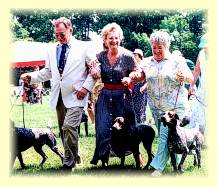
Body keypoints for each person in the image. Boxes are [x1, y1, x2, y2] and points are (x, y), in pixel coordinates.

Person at [20, 17, 96, 171]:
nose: (59, 37)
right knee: (64, 130)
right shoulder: (51, 49)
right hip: (59, 96)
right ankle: (77, 155)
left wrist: (86, 88)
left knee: (69, 127)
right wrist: (32, 77)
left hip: (77, 95)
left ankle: (68, 163)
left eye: (62, 34)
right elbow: (48, 72)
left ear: (70, 30)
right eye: (56, 34)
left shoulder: (84, 47)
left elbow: (95, 70)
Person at [124, 31, 194, 176]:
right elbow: (140, 76)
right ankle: (176, 167)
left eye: (159, 47)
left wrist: (183, 76)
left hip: (173, 107)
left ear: (167, 46)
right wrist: (131, 78)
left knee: (164, 136)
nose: (156, 50)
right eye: (154, 47)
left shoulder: (176, 61)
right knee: (170, 137)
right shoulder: (147, 62)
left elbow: (190, 78)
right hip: (155, 106)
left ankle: (157, 167)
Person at [89, 23, 141, 167]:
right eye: (110, 38)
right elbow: (92, 66)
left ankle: (136, 158)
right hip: (105, 97)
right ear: (105, 40)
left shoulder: (128, 56)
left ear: (120, 39)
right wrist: (93, 69)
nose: (113, 41)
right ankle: (104, 160)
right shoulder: (100, 56)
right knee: (102, 128)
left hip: (122, 98)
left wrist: (130, 77)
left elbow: (137, 71)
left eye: (116, 38)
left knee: (126, 130)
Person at [188, 34, 208, 135]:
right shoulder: (201, 53)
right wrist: (191, 85)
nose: (206, 48)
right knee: (199, 112)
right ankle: (199, 135)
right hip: (203, 87)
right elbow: (196, 70)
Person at [132, 49, 147, 124]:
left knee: (141, 108)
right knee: (134, 108)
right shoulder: (133, 66)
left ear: (140, 56)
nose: (134, 56)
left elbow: (148, 78)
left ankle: (142, 125)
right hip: (134, 89)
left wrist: (145, 86)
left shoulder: (144, 65)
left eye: (135, 55)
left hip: (142, 89)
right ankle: (136, 126)